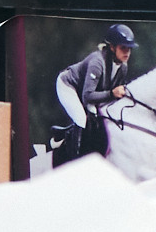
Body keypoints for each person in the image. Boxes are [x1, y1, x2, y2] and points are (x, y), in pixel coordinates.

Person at [51, 24, 135, 166]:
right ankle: (74, 161)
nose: (127, 52)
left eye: (129, 48)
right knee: (81, 118)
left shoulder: (123, 67)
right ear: (112, 47)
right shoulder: (97, 62)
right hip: (69, 86)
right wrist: (111, 93)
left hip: (88, 90)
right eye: (123, 48)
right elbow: (88, 96)